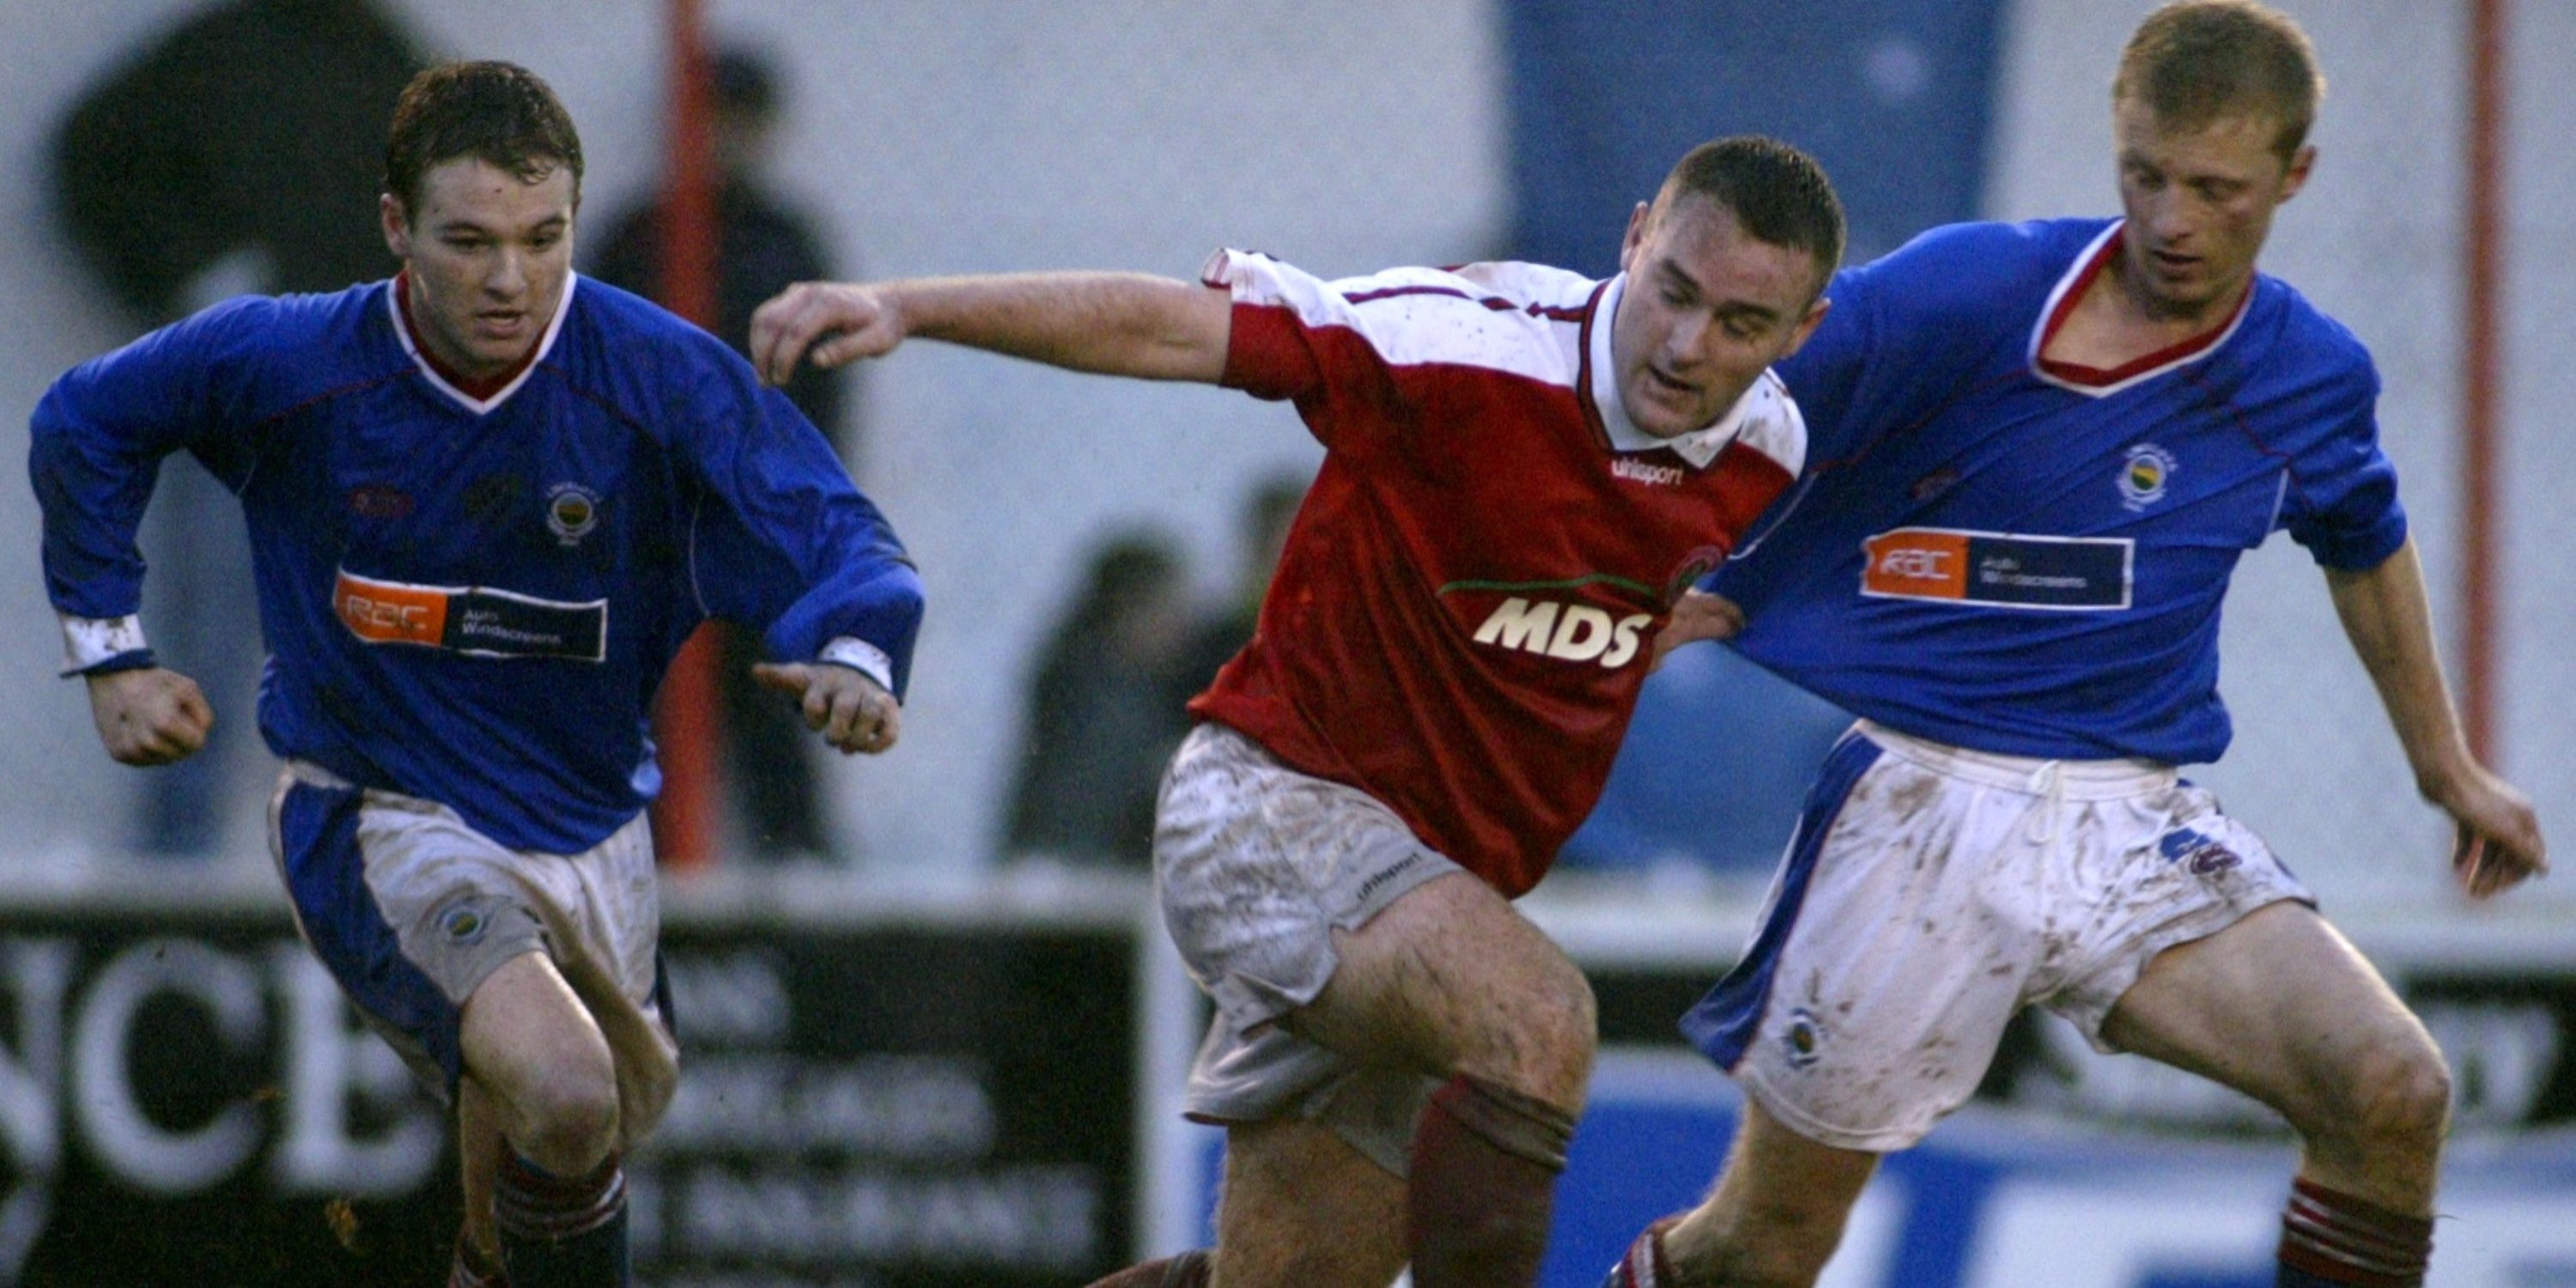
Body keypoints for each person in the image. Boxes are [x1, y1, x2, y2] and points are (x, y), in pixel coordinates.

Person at [753, 137, 1844, 1288]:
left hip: (1433, 900)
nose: (1685, 343)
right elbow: (1173, 326)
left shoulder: (1771, 460)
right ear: (1634, 239)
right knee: (1538, 1023)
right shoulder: (1464, 348)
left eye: (1739, 323)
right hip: (1272, 810)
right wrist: (906, 307)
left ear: (1800, 333)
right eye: (1673, 289)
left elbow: (1745, 577)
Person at [1600, 6, 2548, 1288]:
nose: (2172, 219)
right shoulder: (1969, 292)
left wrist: (2447, 765)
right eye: (2146, 176)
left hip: (2130, 821)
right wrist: (1679, 576)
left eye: (2216, 189)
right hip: (1922, 807)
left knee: (2388, 1088)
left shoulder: (2308, 376)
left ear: (2292, 178)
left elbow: (2362, 539)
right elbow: (1736, 405)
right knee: (1762, 1249)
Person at [29, 61, 924, 1288]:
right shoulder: (296, 360)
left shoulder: (654, 374)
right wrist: (111, 652)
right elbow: (82, 420)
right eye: (469, 241)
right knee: (560, 1086)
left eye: (543, 238)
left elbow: (840, 533)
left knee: (543, 1176)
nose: (510, 279)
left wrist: (856, 655)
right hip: (382, 817)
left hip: (597, 837)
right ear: (397, 227)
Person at [51, 0, 429, 859]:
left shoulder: (395, 71)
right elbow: (90, 157)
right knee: (215, 639)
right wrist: (193, 275)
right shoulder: (217, 56)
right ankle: (176, 865)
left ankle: (385, 867)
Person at [588, 44, 851, 862]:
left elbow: (826, 390)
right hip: (647, 520)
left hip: (748, 513)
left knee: (770, 701)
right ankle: (636, 872)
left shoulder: (784, 244)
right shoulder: (635, 236)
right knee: (645, 705)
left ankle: (799, 877)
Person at [1004, 532, 1198, 866]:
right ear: (1131, 612)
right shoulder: (1108, 705)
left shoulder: (1092, 680)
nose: (1183, 627)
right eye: (1171, 610)